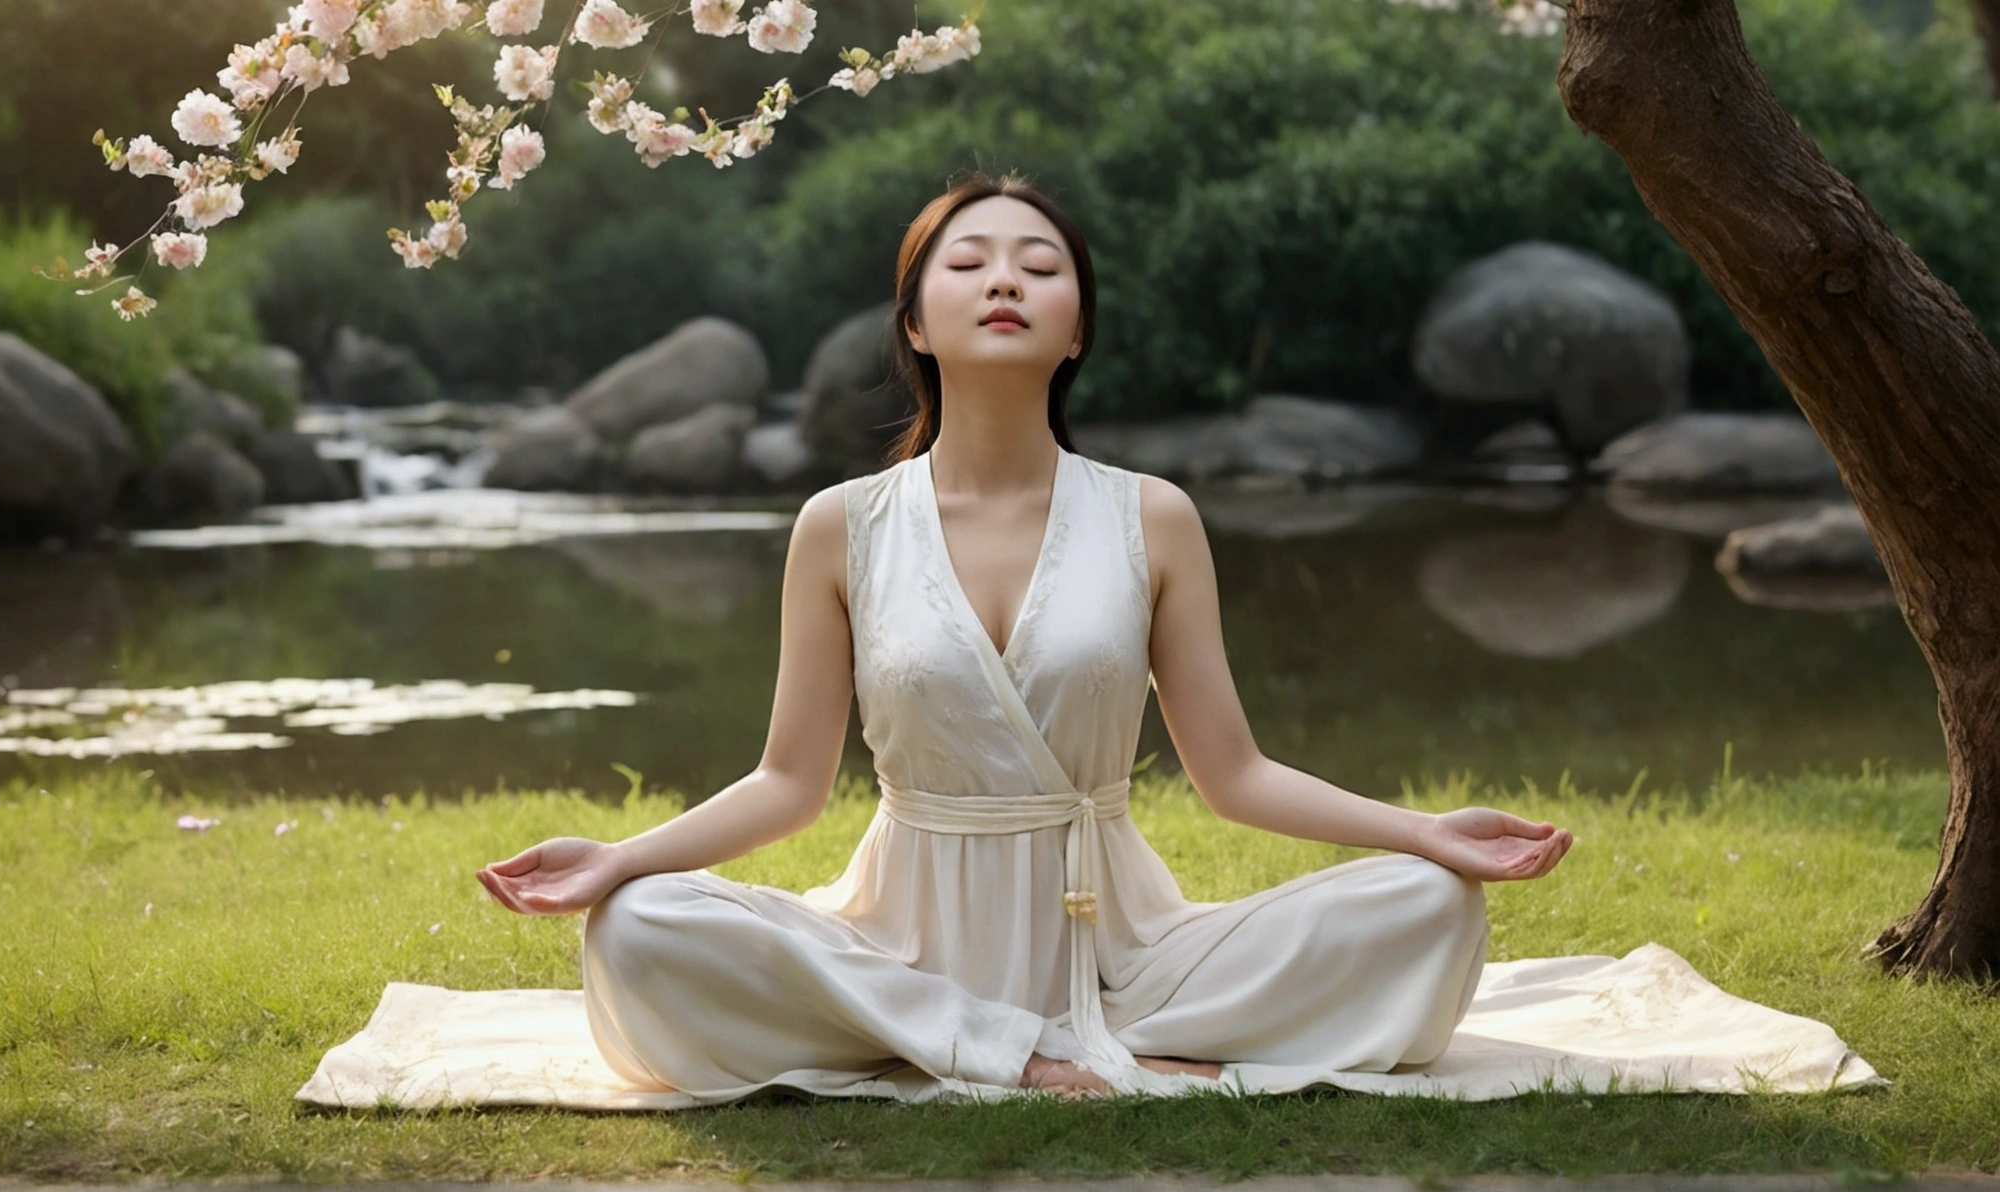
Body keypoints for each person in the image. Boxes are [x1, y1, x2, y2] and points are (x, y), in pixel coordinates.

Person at [475, 171, 1574, 1102]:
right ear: (913, 321)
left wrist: (1424, 832)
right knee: (636, 927)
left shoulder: (1152, 516)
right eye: (969, 262)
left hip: (1127, 952)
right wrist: (622, 859)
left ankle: (1081, 1036)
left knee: (1431, 905)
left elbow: (1232, 772)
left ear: (1076, 327)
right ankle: (1006, 1046)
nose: (1005, 279)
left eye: (1039, 267)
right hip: (898, 952)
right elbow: (786, 783)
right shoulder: (839, 526)